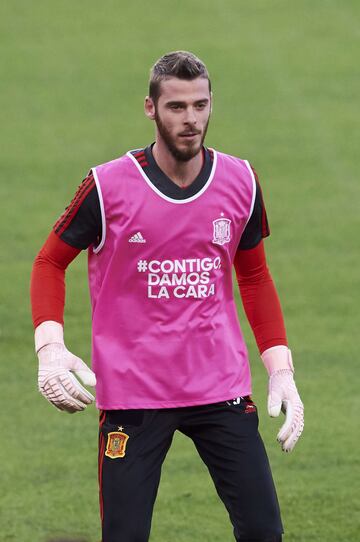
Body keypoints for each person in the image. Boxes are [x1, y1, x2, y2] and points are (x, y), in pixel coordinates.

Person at [30, 51, 304, 542]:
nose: (191, 119)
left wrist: (281, 371)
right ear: (151, 109)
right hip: (134, 394)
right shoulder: (107, 186)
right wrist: (49, 348)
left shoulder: (240, 180)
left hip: (219, 385)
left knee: (264, 532)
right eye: (177, 106)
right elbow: (49, 262)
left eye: (200, 105)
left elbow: (256, 278)